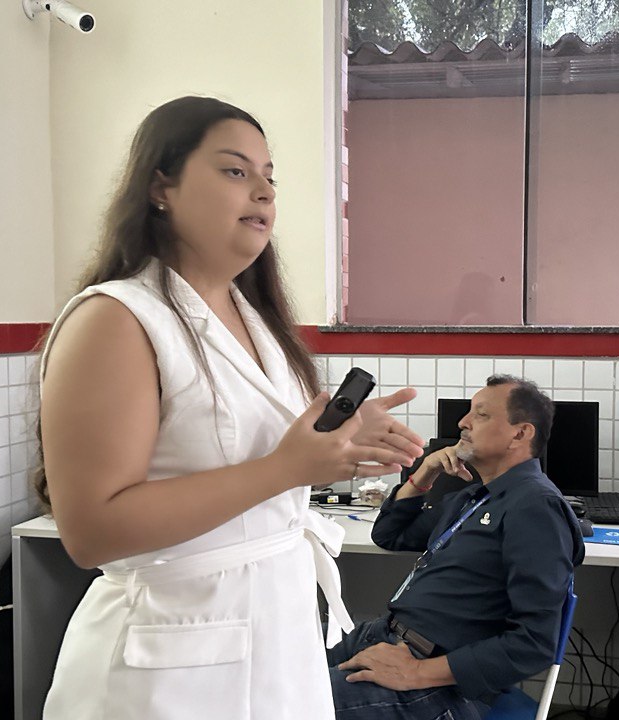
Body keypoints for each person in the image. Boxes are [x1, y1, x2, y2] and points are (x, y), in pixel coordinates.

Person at [34, 96, 425, 720]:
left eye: (270, 177)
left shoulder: (257, 321)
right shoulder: (115, 319)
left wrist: (341, 442)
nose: (264, 192)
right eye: (236, 171)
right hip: (168, 666)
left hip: (279, 637)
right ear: (160, 186)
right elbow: (91, 531)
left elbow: (264, 461)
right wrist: (287, 468)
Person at [328, 375, 585, 720]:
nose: (463, 422)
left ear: (520, 434)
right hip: (383, 638)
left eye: (480, 414)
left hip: (435, 681)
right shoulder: (474, 498)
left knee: (276, 704)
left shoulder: (535, 507)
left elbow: (535, 643)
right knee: (267, 677)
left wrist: (417, 672)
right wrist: (426, 471)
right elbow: (389, 534)